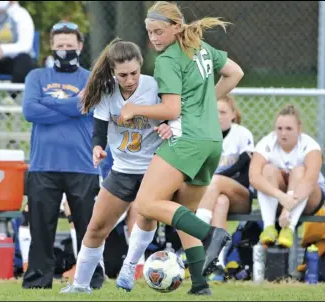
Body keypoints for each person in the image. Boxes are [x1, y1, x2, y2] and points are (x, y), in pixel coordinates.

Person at [116, 1, 244, 294]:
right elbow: (235, 73)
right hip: (211, 142)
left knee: (146, 205)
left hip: (186, 141)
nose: (154, 38)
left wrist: (134, 109)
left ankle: (211, 233)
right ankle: (200, 284)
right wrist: (206, 103)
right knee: (184, 211)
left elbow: (171, 110)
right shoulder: (201, 48)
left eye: (159, 31)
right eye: (149, 32)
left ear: (176, 27)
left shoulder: (169, 59)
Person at [59, 37, 173, 294]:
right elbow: (99, 131)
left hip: (153, 169)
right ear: (112, 72)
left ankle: (130, 266)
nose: (130, 79)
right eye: (122, 75)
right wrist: (97, 149)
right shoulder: (107, 92)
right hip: (121, 170)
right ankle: (80, 286)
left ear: (141, 67)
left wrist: (167, 126)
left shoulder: (154, 86)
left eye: (134, 73)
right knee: (96, 227)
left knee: (145, 215)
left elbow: (174, 115)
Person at [21, 21, 104, 289]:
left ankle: (91, 278)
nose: (65, 50)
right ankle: (37, 281)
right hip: (43, 164)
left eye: (70, 45)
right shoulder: (36, 77)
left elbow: (88, 106)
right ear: (51, 47)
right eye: (60, 46)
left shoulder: (92, 78)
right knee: (41, 228)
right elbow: (30, 111)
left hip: (83, 165)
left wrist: (50, 103)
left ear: (80, 46)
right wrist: (73, 105)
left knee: (88, 228)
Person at [195, 94, 255, 280]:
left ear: (233, 115)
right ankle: (217, 263)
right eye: (215, 112)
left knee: (216, 182)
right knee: (220, 201)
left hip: (241, 196)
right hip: (212, 197)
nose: (218, 116)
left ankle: (197, 233)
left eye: (223, 112)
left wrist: (219, 180)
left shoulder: (241, 134)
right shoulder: (203, 135)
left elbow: (246, 175)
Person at [249, 104, 325, 248]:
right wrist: (281, 196)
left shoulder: (310, 146)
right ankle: (269, 226)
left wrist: (287, 209)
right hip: (278, 199)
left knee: (299, 171)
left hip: (309, 199)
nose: (283, 133)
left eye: (289, 129)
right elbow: (254, 177)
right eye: (279, 128)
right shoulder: (266, 143)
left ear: (299, 128)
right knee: (268, 170)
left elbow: (309, 182)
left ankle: (288, 228)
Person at [0, 1, 36, 83]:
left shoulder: (21, 14)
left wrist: (2, 50)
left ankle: (14, 95)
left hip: (13, 60)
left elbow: (26, 45)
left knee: (25, 61)